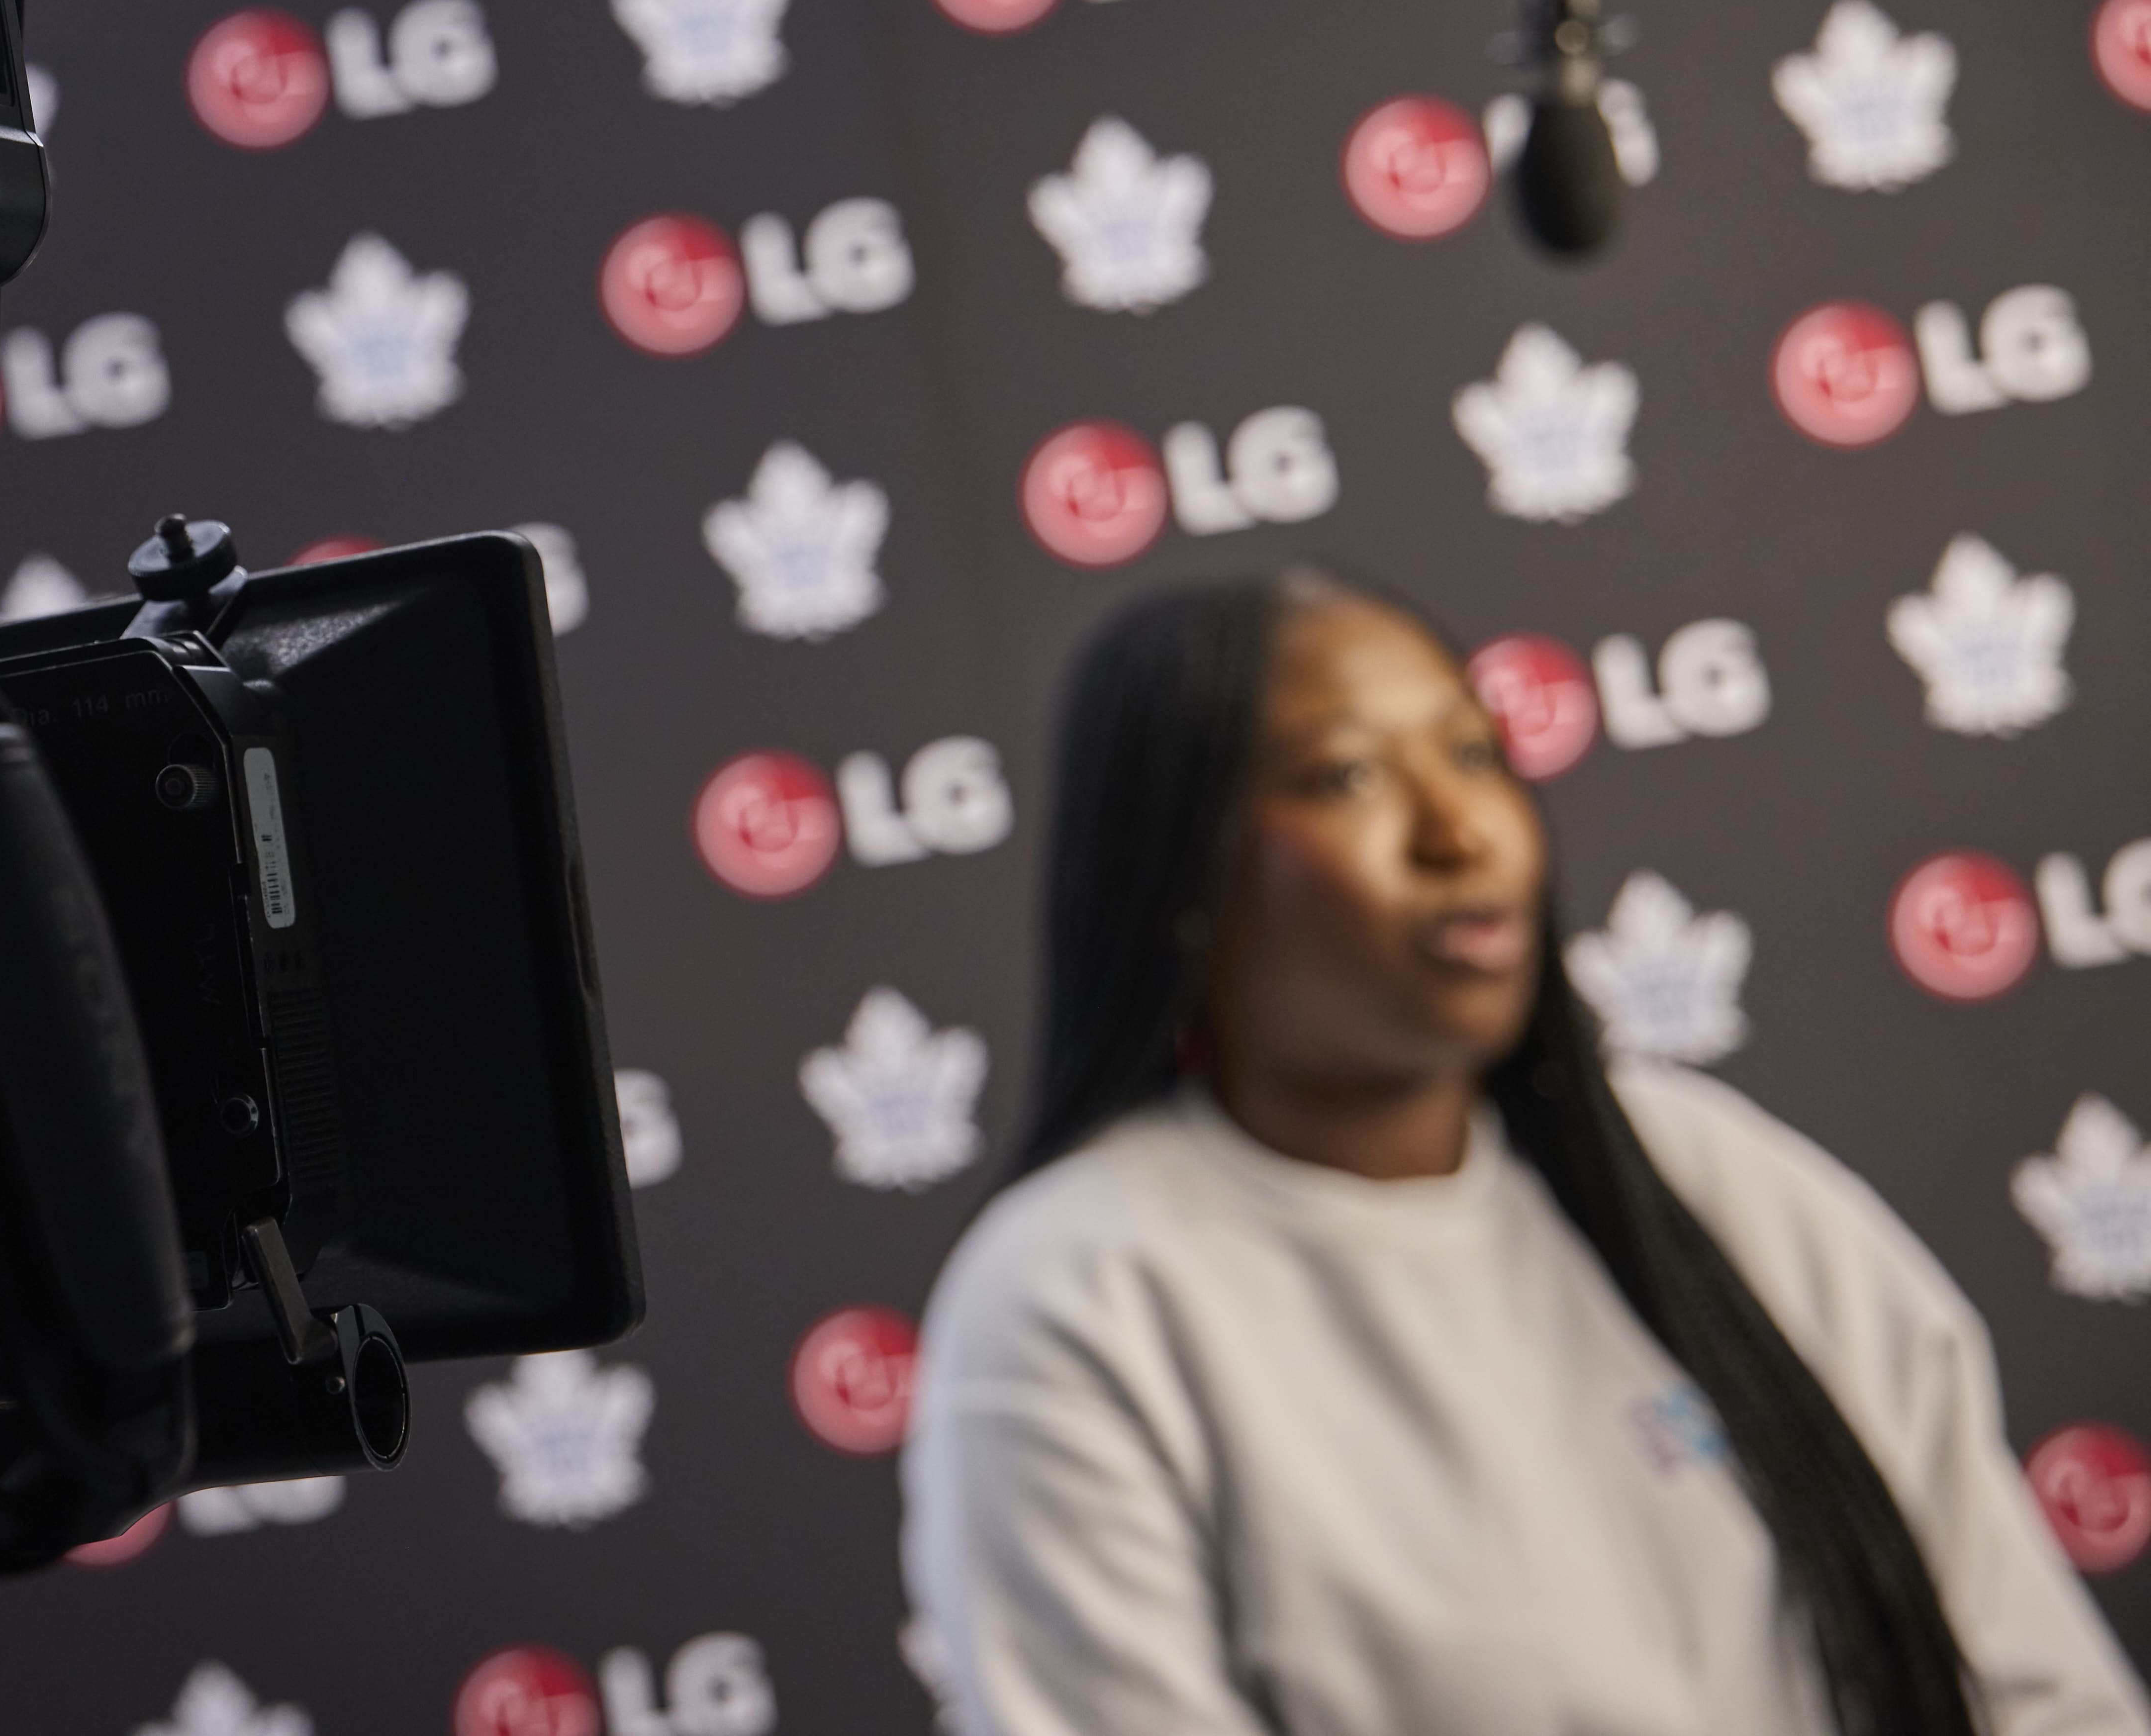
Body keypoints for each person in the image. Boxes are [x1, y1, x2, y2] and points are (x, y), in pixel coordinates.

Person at [903, 567, 2145, 1736]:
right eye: (1345, 775)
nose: (1460, 830)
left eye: (1474, 753)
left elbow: (2033, 1682)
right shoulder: (1072, 1297)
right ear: (1178, 871)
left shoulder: (1708, 1172)